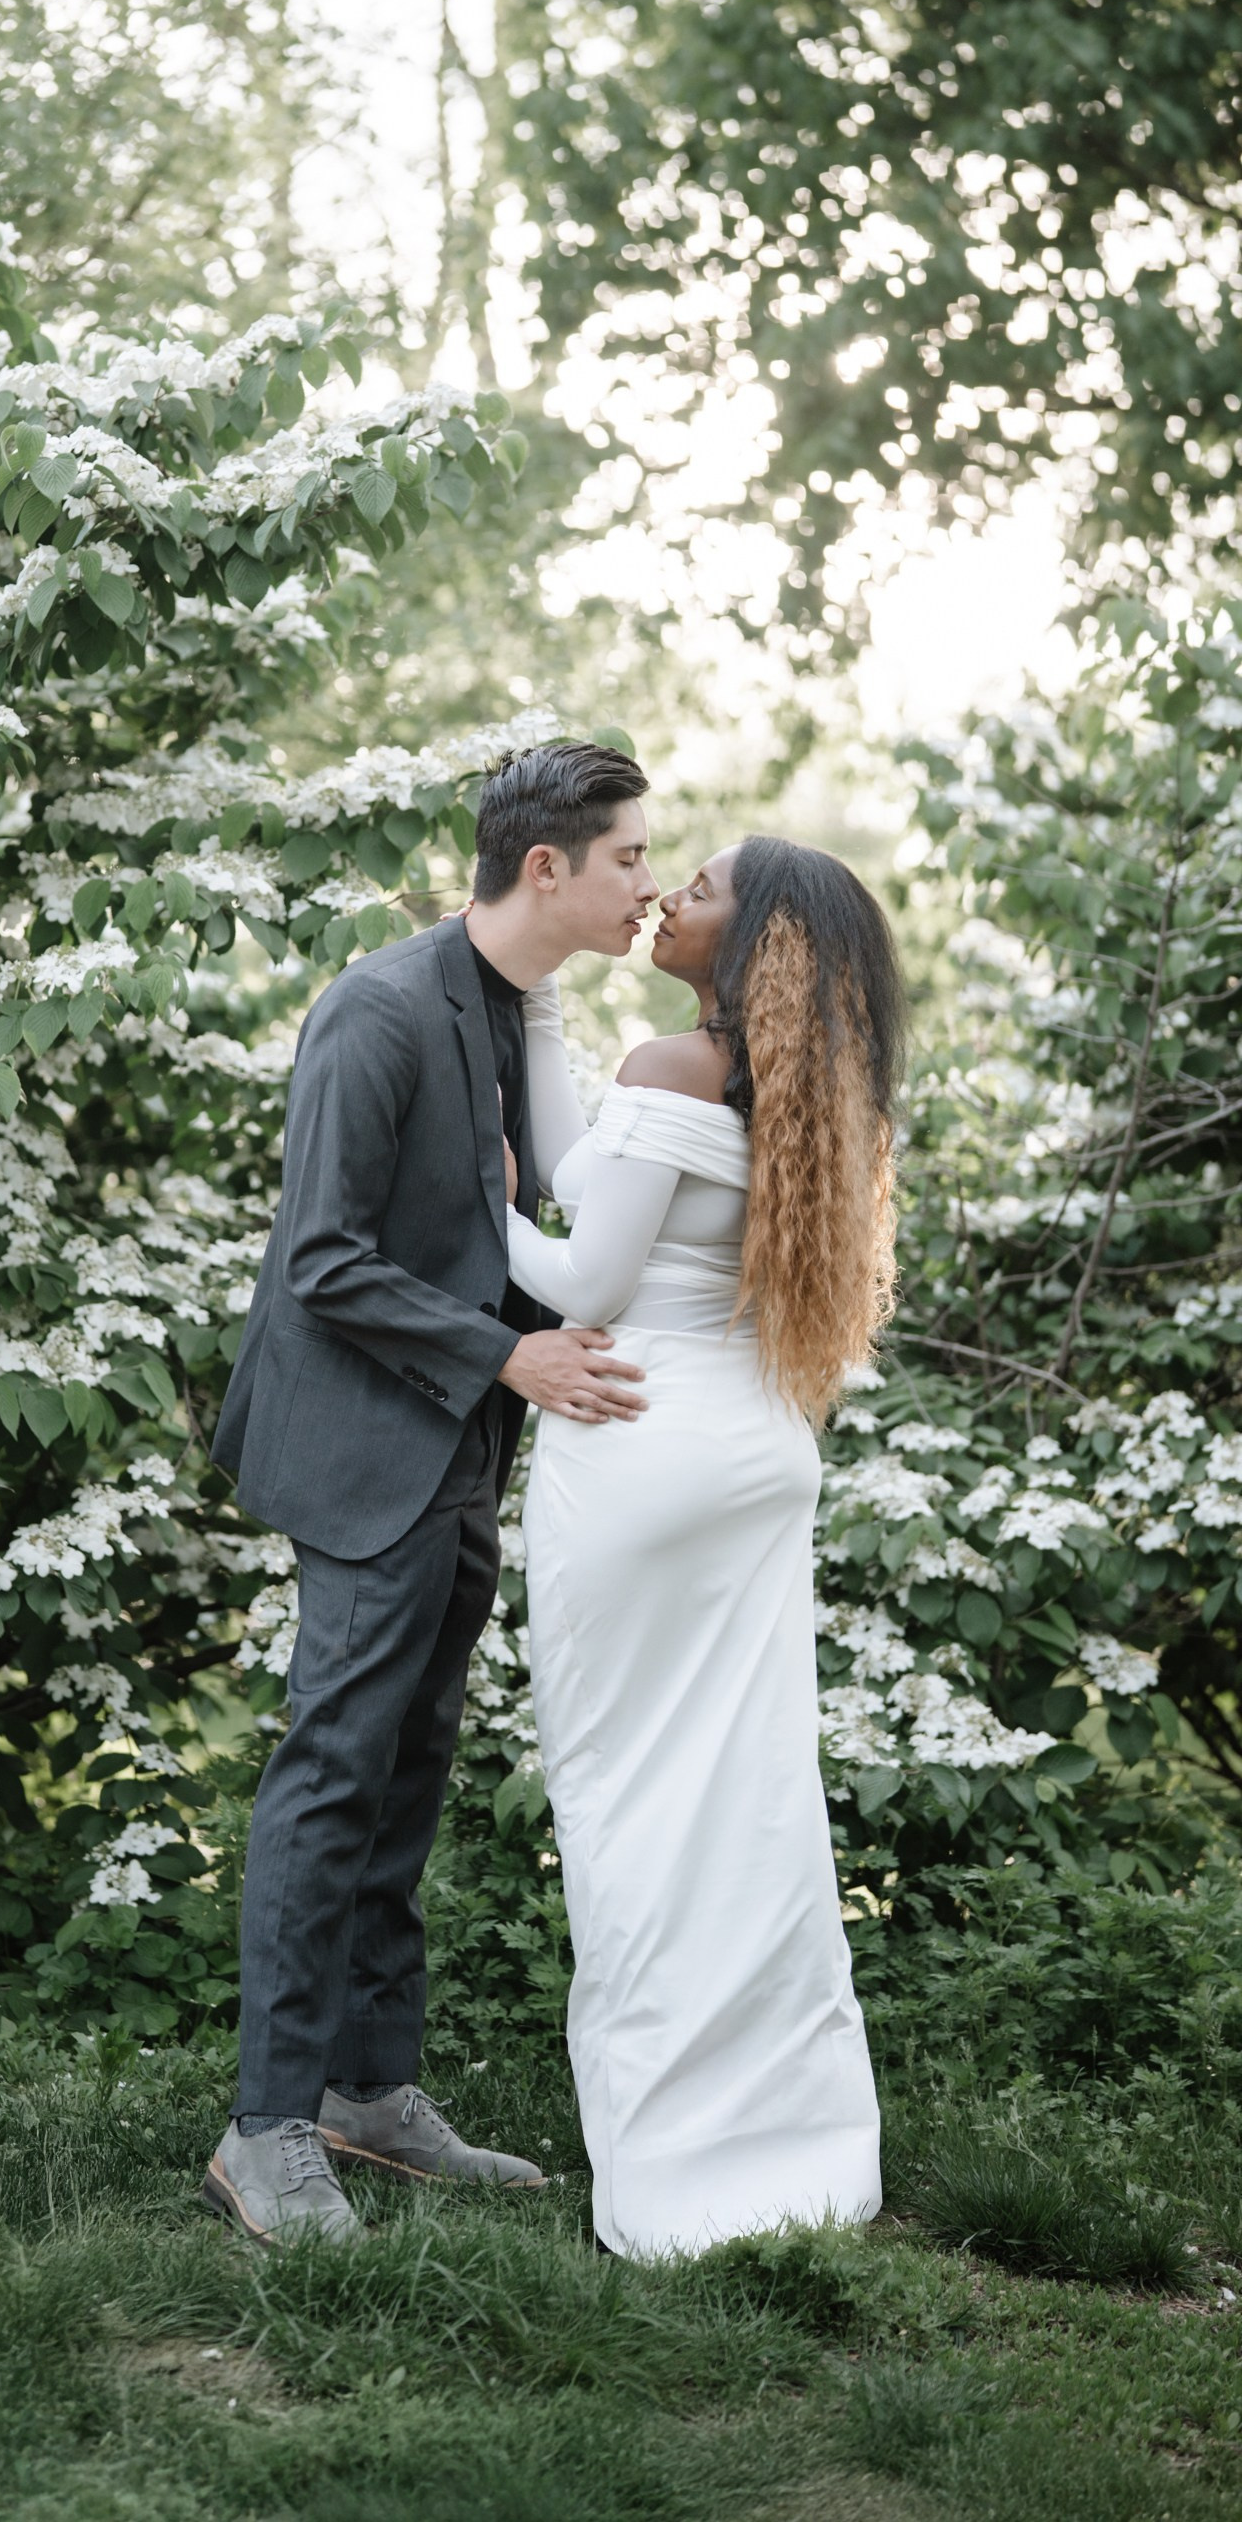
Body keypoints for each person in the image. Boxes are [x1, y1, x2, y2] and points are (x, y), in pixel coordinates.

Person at [201, 740, 659, 2245]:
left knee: (409, 1779)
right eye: (629, 858)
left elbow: (507, 1228)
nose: (647, 882)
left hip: (458, 1448)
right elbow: (321, 1262)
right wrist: (510, 1363)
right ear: (549, 869)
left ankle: (369, 2092)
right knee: (333, 1775)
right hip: (365, 1453)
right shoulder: (381, 1011)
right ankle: (267, 2128)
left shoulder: (510, 1011)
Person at [506, 836, 903, 2259]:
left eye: (710, 886)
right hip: (750, 1453)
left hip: (639, 1441)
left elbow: (582, 1275)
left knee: (629, 1802)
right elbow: (599, 1177)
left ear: (762, 947)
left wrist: (479, 1207)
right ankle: (796, 2151)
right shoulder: (803, 1095)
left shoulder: (670, 1069)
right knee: (748, 1806)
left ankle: (681, 2177)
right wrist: (548, 1001)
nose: (673, 890)